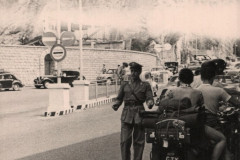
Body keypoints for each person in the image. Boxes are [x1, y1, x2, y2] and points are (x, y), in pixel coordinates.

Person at [159, 68, 228, 160]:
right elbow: (202, 111)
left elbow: (162, 105)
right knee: (222, 139)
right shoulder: (197, 93)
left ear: (179, 79)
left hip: (171, 124)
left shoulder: (171, 91)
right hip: (191, 125)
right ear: (192, 80)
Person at [197, 61, 240, 160]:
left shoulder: (196, 90)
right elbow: (235, 103)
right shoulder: (218, 90)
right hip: (212, 123)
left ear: (201, 77)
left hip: (198, 122)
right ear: (213, 77)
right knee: (223, 140)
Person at [112, 62, 154, 160]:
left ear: (139, 72)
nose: (133, 73)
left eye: (136, 71)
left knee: (139, 141)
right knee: (124, 141)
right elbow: (119, 98)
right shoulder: (124, 84)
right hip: (126, 113)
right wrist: (116, 104)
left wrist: (150, 102)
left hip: (139, 113)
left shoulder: (145, 85)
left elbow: (149, 97)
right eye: (132, 71)